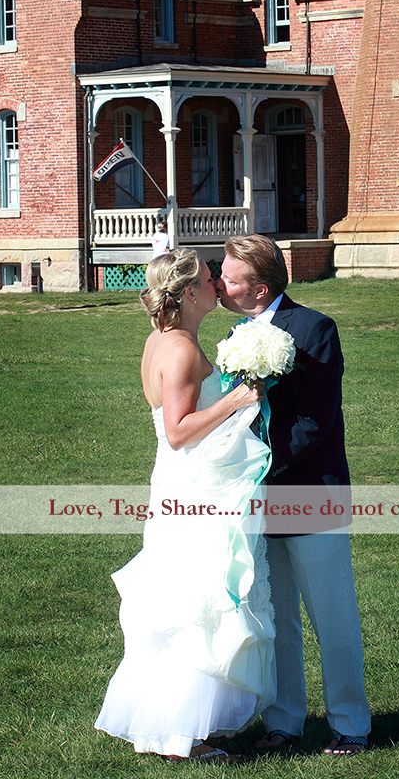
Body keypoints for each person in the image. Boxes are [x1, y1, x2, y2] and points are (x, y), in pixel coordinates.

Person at [95, 248, 275, 762]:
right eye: (208, 276)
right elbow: (177, 433)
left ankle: (189, 724)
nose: (218, 280)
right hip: (191, 487)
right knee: (198, 599)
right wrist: (236, 401)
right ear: (190, 293)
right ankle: (180, 734)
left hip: (189, 482)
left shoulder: (168, 339)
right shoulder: (177, 349)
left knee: (193, 592)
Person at [218, 234, 371, 756]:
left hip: (310, 492)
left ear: (260, 290)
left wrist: (263, 466)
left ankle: (350, 726)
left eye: (228, 276)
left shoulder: (314, 329)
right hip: (258, 499)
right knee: (277, 616)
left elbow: (316, 421)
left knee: (333, 618)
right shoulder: (237, 333)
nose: (218, 283)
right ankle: (284, 722)